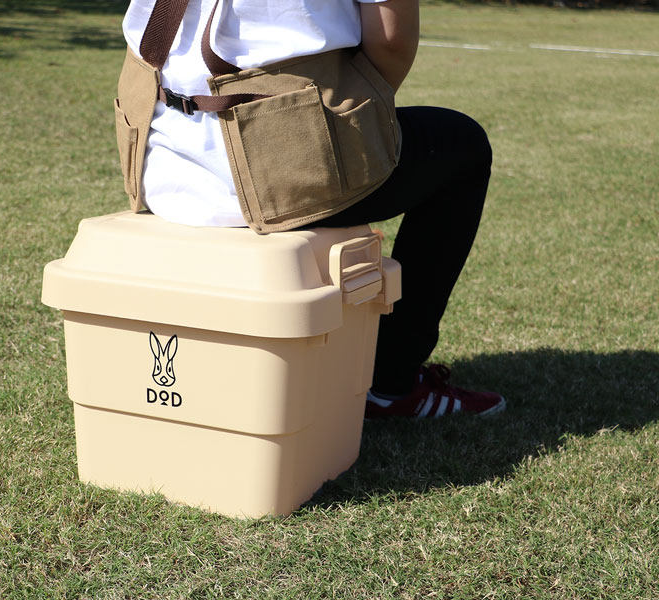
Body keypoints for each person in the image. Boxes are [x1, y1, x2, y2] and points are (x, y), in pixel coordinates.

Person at [121, 0, 506, 418]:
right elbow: (391, 42)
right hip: (276, 174)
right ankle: (391, 383)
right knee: (463, 148)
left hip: (159, 161)